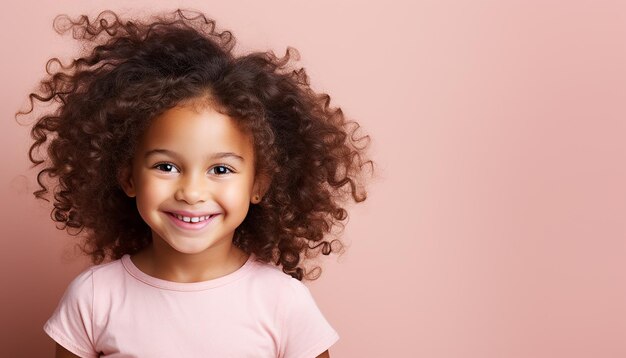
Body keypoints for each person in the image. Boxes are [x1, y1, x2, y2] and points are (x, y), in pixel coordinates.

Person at [21, 8, 372, 358]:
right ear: (128, 176)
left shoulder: (283, 304)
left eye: (220, 170)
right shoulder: (94, 299)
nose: (191, 192)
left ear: (259, 185)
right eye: (166, 166)